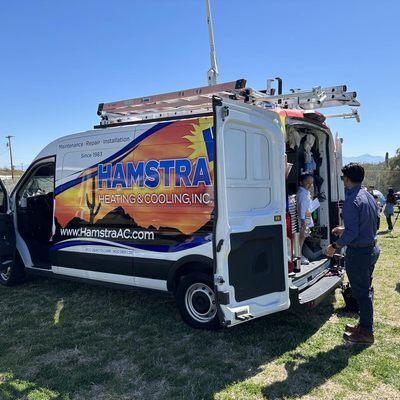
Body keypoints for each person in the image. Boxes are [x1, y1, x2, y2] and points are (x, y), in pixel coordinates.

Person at [325, 163, 380, 345]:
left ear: (347, 179)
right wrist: (344, 228)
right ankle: (364, 325)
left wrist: (334, 246)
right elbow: (372, 221)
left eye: (343, 178)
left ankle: (366, 332)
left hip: (359, 253)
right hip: (371, 249)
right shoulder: (367, 196)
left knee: (362, 294)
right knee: (364, 290)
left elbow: (352, 233)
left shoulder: (351, 201)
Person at [297, 173, 314, 265]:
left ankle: (299, 255)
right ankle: (299, 257)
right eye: (308, 183)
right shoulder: (302, 194)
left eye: (311, 183)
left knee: (302, 238)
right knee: (301, 239)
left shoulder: (305, 193)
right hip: (303, 221)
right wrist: (304, 224)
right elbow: (302, 209)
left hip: (306, 219)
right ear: (301, 182)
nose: (310, 185)